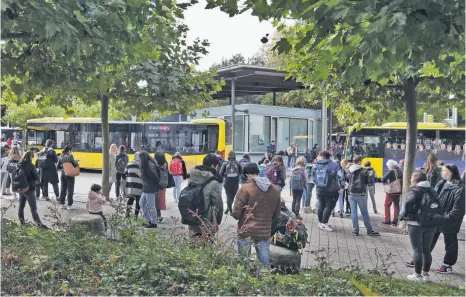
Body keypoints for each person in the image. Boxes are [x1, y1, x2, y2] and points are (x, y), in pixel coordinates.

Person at [233, 163, 281, 265]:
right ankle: (264, 280)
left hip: (245, 230)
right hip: (264, 231)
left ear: (246, 175)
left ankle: (244, 280)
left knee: (243, 263)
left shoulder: (244, 189)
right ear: (259, 173)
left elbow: (236, 214)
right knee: (264, 263)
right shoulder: (275, 190)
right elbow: (277, 214)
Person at [400, 171, 438, 282]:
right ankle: (426, 275)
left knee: (417, 250)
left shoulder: (415, 190)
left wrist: (405, 214)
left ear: (416, 179)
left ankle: (417, 276)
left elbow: (408, 203)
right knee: (426, 251)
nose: (410, 179)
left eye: (411, 177)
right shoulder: (432, 190)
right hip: (431, 223)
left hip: (416, 224)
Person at [429, 164, 465, 274]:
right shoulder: (441, 183)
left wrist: (446, 218)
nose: (442, 172)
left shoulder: (461, 187)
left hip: (450, 220)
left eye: (445, 170)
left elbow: (459, 209)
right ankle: (421, 258)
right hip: (437, 217)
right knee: (429, 238)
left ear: (451, 172)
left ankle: (447, 265)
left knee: (450, 242)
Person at [187, 154, 223, 236]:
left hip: (192, 220)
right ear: (213, 166)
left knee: (193, 246)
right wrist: (217, 221)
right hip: (207, 223)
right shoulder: (213, 183)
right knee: (207, 247)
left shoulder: (192, 178)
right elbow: (218, 205)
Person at [311, 150, 345, 232]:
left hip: (319, 188)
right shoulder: (335, 165)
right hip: (332, 189)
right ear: (329, 156)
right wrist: (342, 186)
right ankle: (324, 223)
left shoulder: (315, 165)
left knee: (321, 205)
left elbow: (313, 177)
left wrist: (318, 184)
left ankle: (320, 222)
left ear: (322, 156)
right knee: (329, 206)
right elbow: (341, 177)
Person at [347, 156, 380, 236]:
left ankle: (355, 230)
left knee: (354, 213)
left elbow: (347, 179)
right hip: (361, 193)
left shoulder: (349, 170)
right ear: (359, 161)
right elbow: (368, 181)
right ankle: (369, 230)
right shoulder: (363, 170)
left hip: (351, 193)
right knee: (364, 212)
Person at [15, 151, 48, 229]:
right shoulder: (31, 166)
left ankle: (22, 222)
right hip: (29, 189)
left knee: (21, 206)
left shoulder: (19, 164)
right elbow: (36, 179)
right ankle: (39, 225)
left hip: (21, 189)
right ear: (31, 157)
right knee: (33, 208)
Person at [138, 151, 160, 228]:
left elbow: (154, 176)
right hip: (147, 186)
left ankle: (154, 223)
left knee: (151, 205)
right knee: (141, 203)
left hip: (149, 187)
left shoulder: (149, 164)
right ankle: (149, 220)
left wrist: (143, 176)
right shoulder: (149, 163)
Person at [219, 151, 242, 215]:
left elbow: (220, 173)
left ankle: (229, 209)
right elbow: (241, 172)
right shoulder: (238, 163)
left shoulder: (225, 163)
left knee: (228, 196)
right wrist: (237, 176)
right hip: (235, 182)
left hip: (227, 182)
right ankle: (230, 210)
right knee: (233, 196)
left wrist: (225, 176)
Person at [382, 160, 403, 225]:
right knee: (396, 206)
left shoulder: (391, 172)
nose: (388, 167)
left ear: (390, 166)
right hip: (398, 191)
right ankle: (395, 220)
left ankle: (387, 220)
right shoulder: (400, 171)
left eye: (388, 166)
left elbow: (383, 179)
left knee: (386, 205)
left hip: (391, 192)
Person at [58, 145, 78, 210]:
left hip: (63, 174)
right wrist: (77, 161)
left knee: (63, 189)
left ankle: (62, 203)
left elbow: (58, 166)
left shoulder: (61, 156)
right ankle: (69, 205)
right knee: (70, 190)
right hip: (70, 175)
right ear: (69, 150)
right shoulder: (70, 156)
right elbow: (75, 164)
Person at [125, 152, 143, 218]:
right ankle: (135, 216)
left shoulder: (129, 163)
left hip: (131, 186)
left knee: (130, 200)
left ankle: (127, 214)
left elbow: (126, 173)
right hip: (139, 186)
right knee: (138, 201)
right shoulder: (142, 165)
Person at [155, 152, 168, 223]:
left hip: (157, 186)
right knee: (159, 201)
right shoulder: (165, 164)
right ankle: (159, 215)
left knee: (155, 201)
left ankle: (157, 216)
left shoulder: (156, 166)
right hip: (163, 186)